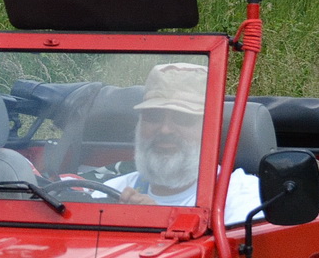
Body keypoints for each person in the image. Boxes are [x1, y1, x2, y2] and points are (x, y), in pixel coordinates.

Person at [104, 62, 263, 222]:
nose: (165, 129)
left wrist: (157, 220)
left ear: (212, 129)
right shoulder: (111, 192)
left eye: (183, 118)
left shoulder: (243, 197)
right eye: (153, 116)